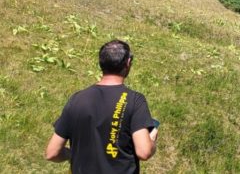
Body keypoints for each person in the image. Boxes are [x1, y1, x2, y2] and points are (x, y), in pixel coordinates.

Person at [45, 39, 159, 173]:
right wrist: (152, 140)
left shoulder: (77, 99)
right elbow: (144, 152)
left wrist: (71, 154)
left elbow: (52, 153)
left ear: (101, 63)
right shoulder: (134, 100)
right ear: (128, 63)